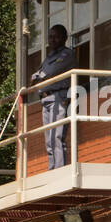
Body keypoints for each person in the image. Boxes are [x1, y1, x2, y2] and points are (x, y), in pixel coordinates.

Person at [30, 24, 76, 170]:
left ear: (64, 38)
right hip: (46, 99)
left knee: (57, 136)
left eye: (56, 36)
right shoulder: (50, 56)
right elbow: (36, 74)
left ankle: (59, 169)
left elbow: (51, 71)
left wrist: (39, 76)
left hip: (59, 98)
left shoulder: (67, 54)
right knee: (49, 139)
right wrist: (37, 77)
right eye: (50, 36)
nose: (53, 40)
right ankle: (52, 168)